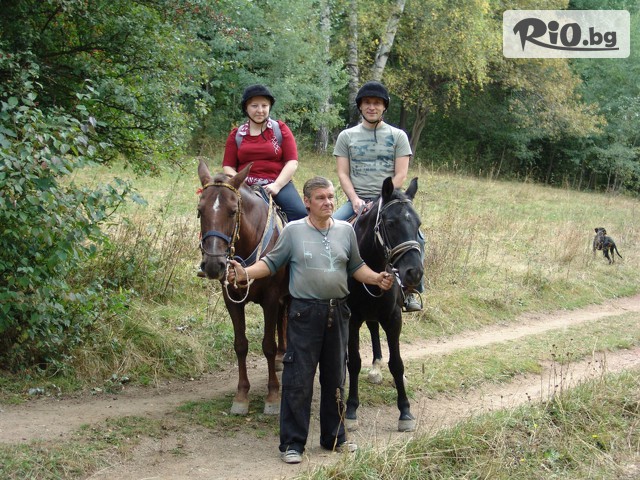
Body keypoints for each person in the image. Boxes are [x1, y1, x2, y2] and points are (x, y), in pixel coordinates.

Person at [226, 176, 394, 465]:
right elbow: (271, 263)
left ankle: (335, 438)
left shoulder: (345, 231)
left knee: (335, 380)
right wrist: (245, 273)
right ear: (307, 202)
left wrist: (377, 278)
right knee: (298, 381)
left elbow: (356, 266)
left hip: (337, 313)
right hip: (304, 314)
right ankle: (293, 444)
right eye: (321, 198)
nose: (328, 202)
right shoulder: (293, 231)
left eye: (331, 197)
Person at [333, 80, 424, 312]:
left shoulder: (398, 136)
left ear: (384, 107)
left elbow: (401, 174)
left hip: (388, 199)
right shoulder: (346, 136)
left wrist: (382, 199)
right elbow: (343, 173)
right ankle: (332, 291)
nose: (371, 107)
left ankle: (411, 291)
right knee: (329, 233)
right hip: (356, 199)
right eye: (367, 103)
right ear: (360, 106)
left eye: (376, 103)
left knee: (418, 238)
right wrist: (355, 199)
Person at [222, 84, 307, 222]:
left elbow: (292, 162)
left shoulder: (280, 129)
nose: (260, 110)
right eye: (254, 106)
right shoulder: (237, 135)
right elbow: (228, 166)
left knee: (300, 215)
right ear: (246, 108)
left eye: (264, 105)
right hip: (245, 187)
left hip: (277, 185)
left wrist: (277, 185)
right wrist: (240, 183)